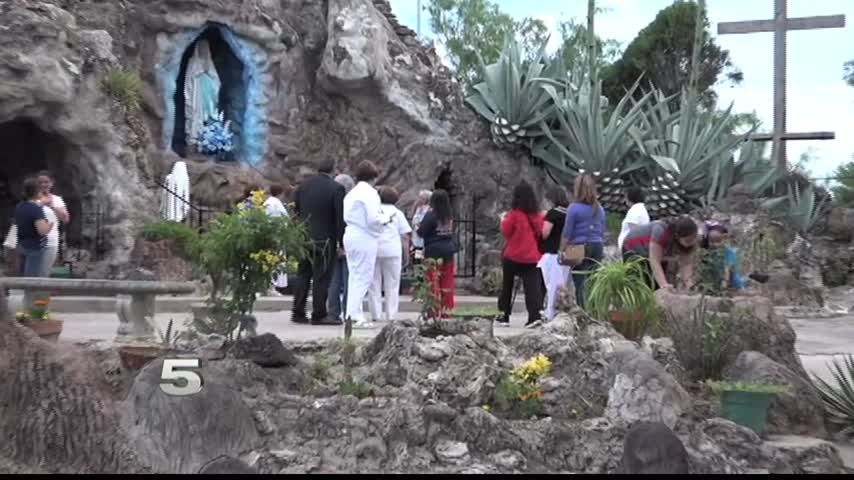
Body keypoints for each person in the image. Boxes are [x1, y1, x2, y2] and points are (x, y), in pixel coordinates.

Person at [292, 159, 346, 325]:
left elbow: (297, 211)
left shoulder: (303, 186)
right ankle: (319, 314)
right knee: (321, 277)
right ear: (333, 170)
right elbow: (339, 218)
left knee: (303, 274)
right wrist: (341, 242)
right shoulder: (336, 188)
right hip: (325, 239)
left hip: (304, 237)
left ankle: (298, 312)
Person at [343, 161, 392, 328]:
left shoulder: (351, 193)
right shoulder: (370, 193)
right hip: (364, 237)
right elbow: (372, 219)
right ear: (373, 177)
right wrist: (385, 220)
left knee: (354, 276)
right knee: (364, 277)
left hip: (350, 234)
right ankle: (353, 316)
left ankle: (352, 314)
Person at [498, 182, 545, 328]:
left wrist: (502, 220)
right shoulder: (537, 216)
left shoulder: (514, 214)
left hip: (512, 256)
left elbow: (506, 231)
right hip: (531, 257)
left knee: (507, 285)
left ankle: (504, 315)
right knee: (532, 287)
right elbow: (540, 233)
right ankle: (534, 316)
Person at [561, 174, 606, 309]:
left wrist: (562, 250)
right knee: (593, 282)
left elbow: (567, 232)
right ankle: (594, 312)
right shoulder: (599, 209)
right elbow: (602, 230)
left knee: (580, 282)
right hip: (597, 246)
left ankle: (584, 312)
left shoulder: (574, 208)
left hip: (579, 248)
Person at [368, 187, 412, 322]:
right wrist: (406, 254)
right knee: (392, 284)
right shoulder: (398, 213)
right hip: (392, 251)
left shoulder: (373, 211)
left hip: (374, 250)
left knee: (373, 283)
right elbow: (405, 236)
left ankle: (375, 314)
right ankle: (391, 314)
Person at [622, 216, 699, 291]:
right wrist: (664, 285)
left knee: (660, 283)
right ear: (677, 236)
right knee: (644, 283)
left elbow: (686, 264)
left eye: (694, 238)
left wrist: (689, 284)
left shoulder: (689, 241)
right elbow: (655, 261)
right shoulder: (661, 231)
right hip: (633, 246)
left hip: (653, 253)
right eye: (688, 240)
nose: (692, 242)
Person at [416, 189, 457, 317]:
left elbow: (421, 232)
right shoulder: (449, 216)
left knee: (432, 282)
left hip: (433, 251)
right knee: (447, 283)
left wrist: (418, 226)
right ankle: (447, 313)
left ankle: (433, 313)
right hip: (448, 250)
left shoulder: (431, 215)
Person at [538, 186, 570, 322]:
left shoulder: (553, 214)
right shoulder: (569, 213)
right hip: (565, 254)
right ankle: (561, 312)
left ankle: (550, 313)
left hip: (551, 254)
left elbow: (545, 233)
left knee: (551, 286)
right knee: (562, 285)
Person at [327, 174, 356, 323]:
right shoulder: (352, 202)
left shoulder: (329, 201)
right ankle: (348, 312)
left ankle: (333, 312)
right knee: (349, 280)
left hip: (333, 245)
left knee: (334, 281)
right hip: (349, 245)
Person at [15, 177, 52, 277]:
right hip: (34, 247)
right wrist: (50, 225)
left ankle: (22, 292)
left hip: (22, 244)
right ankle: (31, 293)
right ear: (37, 192)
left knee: (22, 275)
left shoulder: (19, 206)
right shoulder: (36, 209)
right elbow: (42, 231)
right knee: (31, 277)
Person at [36, 171, 70, 278]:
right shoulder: (32, 198)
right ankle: (31, 295)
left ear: (51, 183)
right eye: (40, 182)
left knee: (44, 272)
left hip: (51, 241)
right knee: (32, 273)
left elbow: (65, 219)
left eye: (46, 182)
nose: (43, 185)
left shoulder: (57, 199)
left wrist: (51, 205)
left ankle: (42, 295)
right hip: (33, 241)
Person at [701, 222, 747, 291]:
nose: (715, 245)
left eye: (718, 242)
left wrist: (725, 282)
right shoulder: (708, 252)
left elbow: (727, 268)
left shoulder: (729, 253)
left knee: (736, 285)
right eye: (711, 242)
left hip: (732, 278)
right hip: (716, 277)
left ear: (724, 239)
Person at [263, 184, 289, 296]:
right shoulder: (276, 203)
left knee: (269, 261)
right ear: (280, 193)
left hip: (269, 235)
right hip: (276, 235)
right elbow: (283, 219)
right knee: (275, 262)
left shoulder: (267, 202)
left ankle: (268, 286)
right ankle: (271, 286)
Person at [618, 186, 649, 251]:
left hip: (631, 248)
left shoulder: (635, 210)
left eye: (626, 197)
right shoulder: (641, 209)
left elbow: (634, 231)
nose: (625, 200)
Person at [410, 190, 432, 264]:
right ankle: (417, 270)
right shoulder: (418, 207)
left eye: (422, 198)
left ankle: (420, 270)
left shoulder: (429, 209)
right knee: (416, 255)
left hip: (423, 236)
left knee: (421, 255)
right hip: (416, 236)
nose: (420, 199)